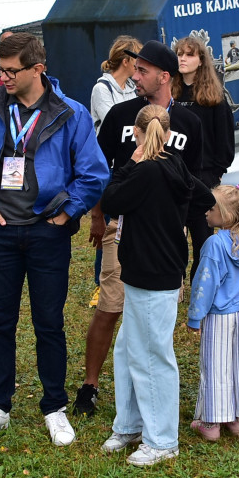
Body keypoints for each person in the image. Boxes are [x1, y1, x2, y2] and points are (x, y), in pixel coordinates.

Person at [0, 33, 108, 446]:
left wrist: (67, 212)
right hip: (2, 233)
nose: (3, 77)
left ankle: (55, 407)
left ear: (37, 69)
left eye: (11, 71)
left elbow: (94, 173)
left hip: (48, 232)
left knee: (49, 323)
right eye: (0, 70)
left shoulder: (71, 113)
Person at [76, 40, 202, 418]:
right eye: (134, 68)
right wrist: (99, 218)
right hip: (122, 226)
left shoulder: (188, 122)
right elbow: (99, 170)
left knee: (153, 320)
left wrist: (194, 236)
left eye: (143, 71)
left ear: (165, 77)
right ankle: (90, 384)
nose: (134, 75)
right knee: (112, 306)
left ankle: (150, 396)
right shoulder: (120, 116)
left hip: (165, 235)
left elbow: (193, 184)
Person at [99, 104, 214, 466]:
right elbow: (205, 199)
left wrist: (129, 163)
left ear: (136, 133)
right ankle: (130, 423)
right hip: (151, 270)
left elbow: (112, 199)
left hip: (151, 274)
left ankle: (162, 439)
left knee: (152, 356)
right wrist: (172, 220)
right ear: (166, 135)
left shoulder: (145, 171)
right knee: (128, 348)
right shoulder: (175, 166)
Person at [186, 183, 239, 442]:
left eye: (212, 208)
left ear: (227, 214)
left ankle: (211, 423)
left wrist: (194, 317)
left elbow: (205, 283)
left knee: (215, 366)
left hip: (218, 316)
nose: (206, 212)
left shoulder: (214, 244)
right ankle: (236, 418)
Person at [173, 34, 236, 274]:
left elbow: (225, 141)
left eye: (189, 54)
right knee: (173, 234)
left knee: (203, 236)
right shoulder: (170, 96)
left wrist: (216, 173)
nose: (183, 59)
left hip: (204, 177)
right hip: (173, 175)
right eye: (180, 54)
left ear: (201, 60)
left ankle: (201, 282)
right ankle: (174, 281)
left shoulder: (214, 99)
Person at [86, 35, 140, 308]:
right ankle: (101, 283)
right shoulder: (102, 88)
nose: (140, 68)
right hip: (107, 166)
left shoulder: (133, 88)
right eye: (138, 60)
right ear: (127, 60)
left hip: (132, 164)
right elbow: (115, 123)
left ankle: (130, 279)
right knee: (108, 226)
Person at [89, 35, 139, 132]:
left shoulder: (134, 89)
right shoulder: (101, 89)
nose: (140, 63)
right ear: (125, 62)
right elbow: (113, 122)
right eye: (136, 58)